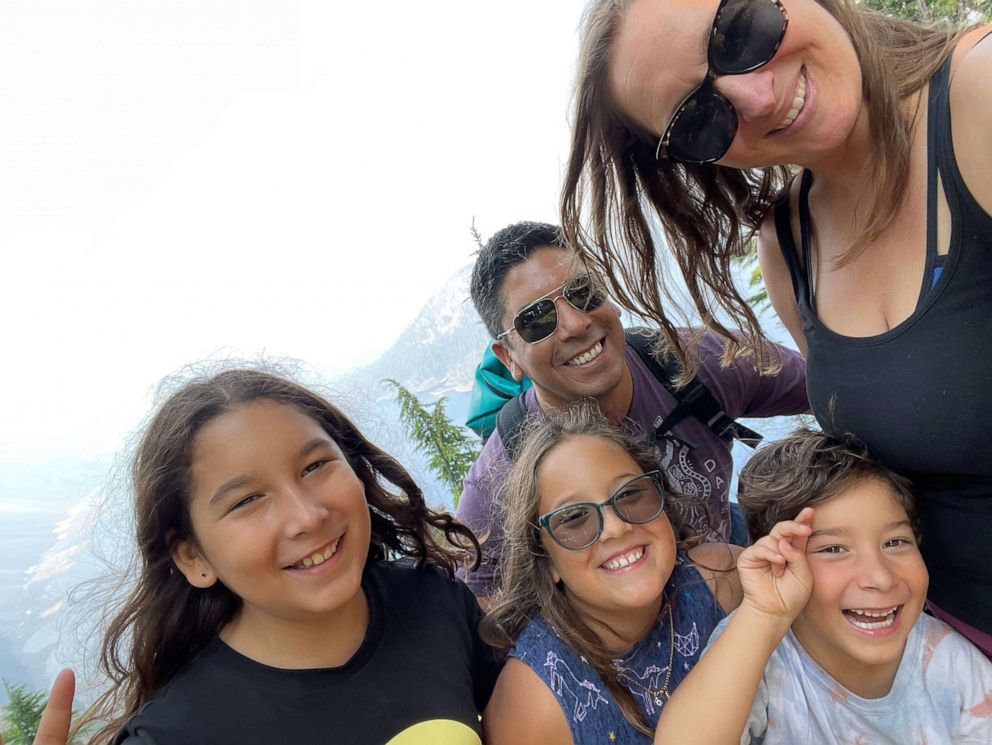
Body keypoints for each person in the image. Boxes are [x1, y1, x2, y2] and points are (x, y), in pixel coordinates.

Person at [560, 0, 992, 649]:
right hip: (945, 648)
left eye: (741, 31)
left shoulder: (976, 100)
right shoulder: (790, 242)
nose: (755, 96)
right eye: (699, 119)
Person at [14, 368, 499, 745]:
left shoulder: (433, 601)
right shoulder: (177, 735)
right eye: (246, 500)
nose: (305, 516)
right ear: (191, 556)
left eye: (315, 466)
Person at [457, 220, 807, 600]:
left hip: (734, 573)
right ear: (509, 356)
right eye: (537, 320)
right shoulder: (498, 481)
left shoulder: (691, 362)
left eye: (583, 291)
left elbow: (827, 388)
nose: (575, 323)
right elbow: (482, 611)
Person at [654, 428, 992, 744]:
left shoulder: (949, 662)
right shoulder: (758, 648)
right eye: (833, 549)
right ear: (778, 560)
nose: (880, 577)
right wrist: (763, 614)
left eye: (895, 542)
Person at [481, 404, 742, 744]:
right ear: (545, 561)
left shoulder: (724, 581)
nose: (617, 527)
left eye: (630, 494)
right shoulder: (535, 702)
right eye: (574, 518)